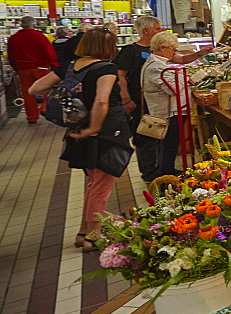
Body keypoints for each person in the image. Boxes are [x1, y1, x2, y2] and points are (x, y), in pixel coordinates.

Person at [28, 29, 131, 251]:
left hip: (78, 129)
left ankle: (83, 231)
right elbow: (102, 101)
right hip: (104, 131)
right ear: (108, 47)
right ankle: (93, 236)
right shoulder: (106, 68)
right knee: (103, 184)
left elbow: (34, 88)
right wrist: (94, 127)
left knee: (94, 183)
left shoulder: (69, 67)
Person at [116, 15, 213, 181]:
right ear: (146, 31)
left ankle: (163, 171)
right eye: (157, 28)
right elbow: (121, 76)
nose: (159, 30)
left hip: (156, 103)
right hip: (148, 104)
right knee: (148, 138)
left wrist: (199, 54)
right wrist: (126, 98)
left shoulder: (157, 57)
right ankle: (154, 174)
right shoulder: (135, 53)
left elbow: (180, 60)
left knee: (162, 141)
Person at [142, 32, 192, 177]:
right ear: (163, 48)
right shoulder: (157, 67)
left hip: (168, 110)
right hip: (169, 112)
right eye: (173, 49)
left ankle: (168, 171)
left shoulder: (155, 63)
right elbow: (174, 89)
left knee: (167, 145)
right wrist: (184, 76)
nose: (174, 53)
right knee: (169, 146)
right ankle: (165, 178)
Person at [6, 16, 58, 124]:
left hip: (23, 70)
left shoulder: (13, 38)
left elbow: (11, 56)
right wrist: (55, 66)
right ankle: (49, 111)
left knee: (28, 94)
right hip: (41, 68)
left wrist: (17, 69)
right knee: (50, 91)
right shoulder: (40, 36)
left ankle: (32, 117)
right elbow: (49, 53)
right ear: (34, 24)